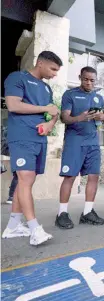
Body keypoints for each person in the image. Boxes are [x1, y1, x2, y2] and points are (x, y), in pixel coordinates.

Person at [2, 51, 62, 245]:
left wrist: (50, 124)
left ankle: (13, 225)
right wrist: (45, 109)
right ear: (40, 63)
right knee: (25, 179)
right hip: (21, 137)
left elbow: (53, 112)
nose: (55, 74)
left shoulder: (46, 88)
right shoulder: (17, 78)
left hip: (38, 140)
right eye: (53, 69)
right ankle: (35, 229)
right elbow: (13, 105)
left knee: (26, 181)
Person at [55, 66, 104, 229]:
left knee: (93, 176)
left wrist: (101, 116)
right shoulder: (70, 95)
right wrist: (80, 117)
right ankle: (61, 213)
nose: (89, 83)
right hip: (74, 141)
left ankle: (87, 212)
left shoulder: (98, 97)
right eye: (86, 79)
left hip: (92, 142)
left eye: (92, 80)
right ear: (80, 77)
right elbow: (65, 118)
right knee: (69, 177)